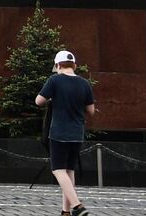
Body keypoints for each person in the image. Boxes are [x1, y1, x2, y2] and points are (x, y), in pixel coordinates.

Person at [35, 49, 95, 216]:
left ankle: (77, 206)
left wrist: (53, 98)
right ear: (74, 65)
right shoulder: (84, 83)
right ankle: (65, 211)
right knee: (69, 170)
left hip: (59, 132)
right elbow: (91, 111)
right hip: (77, 133)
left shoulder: (55, 80)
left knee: (58, 169)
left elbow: (38, 101)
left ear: (58, 65)